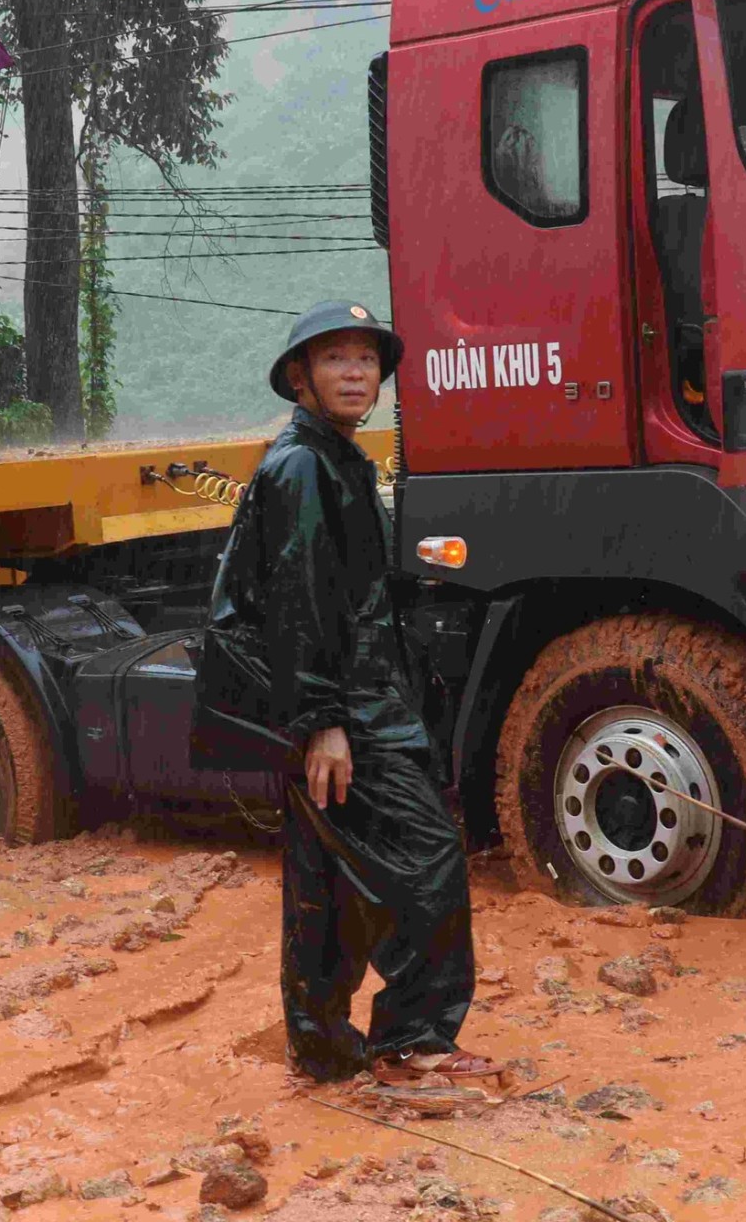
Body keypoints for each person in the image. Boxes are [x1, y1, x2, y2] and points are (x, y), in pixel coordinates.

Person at [193, 300, 495, 1086]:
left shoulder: (334, 458)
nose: (356, 373)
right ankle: (415, 1042)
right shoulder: (303, 466)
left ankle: (323, 1049)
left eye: (367, 360)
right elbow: (298, 599)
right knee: (429, 862)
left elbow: (347, 591)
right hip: (341, 709)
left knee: (326, 879)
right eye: (335, 361)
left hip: (341, 699)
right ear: (301, 378)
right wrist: (324, 723)